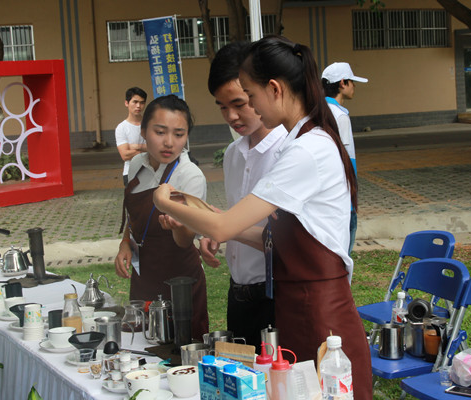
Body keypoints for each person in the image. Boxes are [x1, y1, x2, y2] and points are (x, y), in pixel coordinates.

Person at [153, 36, 372, 398]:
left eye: (250, 97)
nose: (248, 107)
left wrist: (164, 201)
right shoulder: (303, 142)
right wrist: (207, 218)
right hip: (297, 306)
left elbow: (223, 227)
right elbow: (271, 238)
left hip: (320, 314)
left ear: (274, 89)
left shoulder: (307, 149)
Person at [200, 41, 286, 349]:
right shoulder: (233, 154)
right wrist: (217, 233)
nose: (231, 116)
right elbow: (235, 218)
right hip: (238, 292)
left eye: (239, 103)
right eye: (222, 107)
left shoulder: (287, 152)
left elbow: (285, 242)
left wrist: (222, 226)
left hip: (276, 293)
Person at [115, 95, 209, 340]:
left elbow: (186, 240)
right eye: (160, 132)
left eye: (179, 134)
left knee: (180, 348)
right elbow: (133, 214)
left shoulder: (190, 176)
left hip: (180, 282)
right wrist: (125, 242)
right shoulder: (137, 163)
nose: (169, 143)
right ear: (143, 131)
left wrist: (178, 227)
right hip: (143, 275)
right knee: (140, 344)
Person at [321, 62, 368, 255]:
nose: (354, 86)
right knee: (343, 254)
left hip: (326, 198)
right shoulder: (340, 116)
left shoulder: (319, 111)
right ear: (342, 83)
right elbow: (346, 160)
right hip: (342, 200)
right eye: (351, 82)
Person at [116, 87, 148, 186]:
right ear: (127, 103)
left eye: (142, 103)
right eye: (135, 102)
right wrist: (147, 150)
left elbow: (157, 148)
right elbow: (125, 155)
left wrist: (136, 146)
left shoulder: (151, 124)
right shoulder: (121, 128)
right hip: (130, 173)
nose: (138, 106)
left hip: (151, 172)